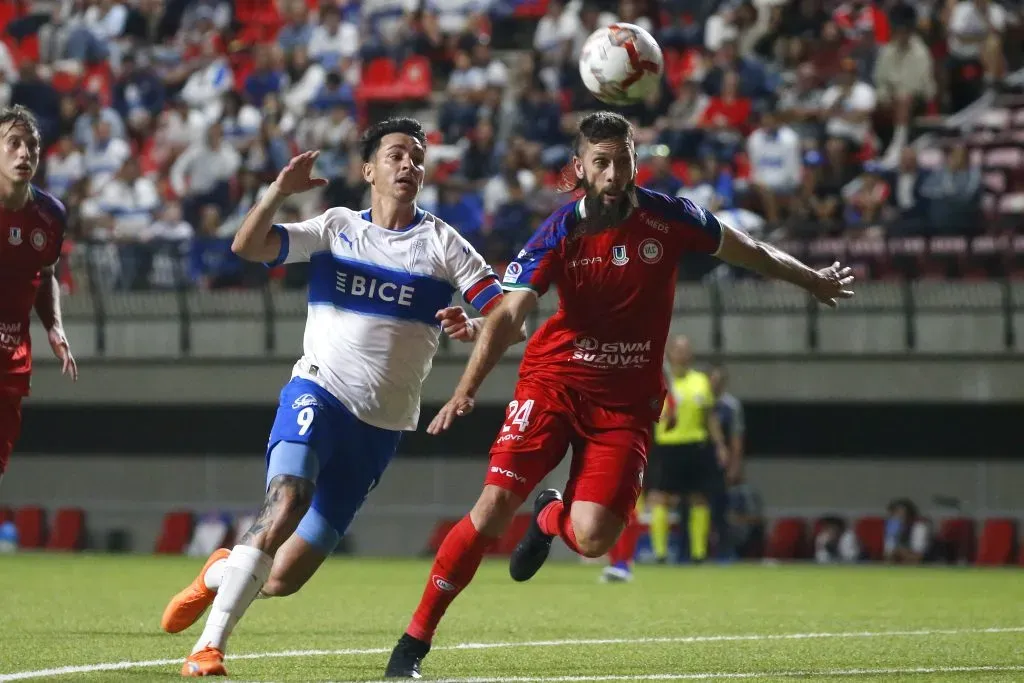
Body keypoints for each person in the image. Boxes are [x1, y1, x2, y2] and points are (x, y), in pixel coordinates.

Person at [383, 111, 855, 678]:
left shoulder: (670, 217)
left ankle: (549, 518)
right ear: (579, 169)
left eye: (621, 160)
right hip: (554, 380)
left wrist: (813, 280)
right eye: (599, 162)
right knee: (490, 509)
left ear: (635, 161)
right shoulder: (559, 231)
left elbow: (749, 249)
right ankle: (412, 644)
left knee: (592, 536)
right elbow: (510, 313)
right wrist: (466, 389)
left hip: (626, 404)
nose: (611, 173)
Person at [160, 117, 519, 678]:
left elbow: (508, 319)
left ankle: (217, 573)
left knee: (283, 578)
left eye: (417, 157)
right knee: (287, 499)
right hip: (318, 391)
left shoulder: (444, 244)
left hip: (381, 428)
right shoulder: (336, 228)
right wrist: (279, 190)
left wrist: (473, 323)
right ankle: (210, 648)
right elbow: (248, 245)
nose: (409, 165)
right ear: (369, 169)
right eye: (396, 155)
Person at [0, 105, 78, 488]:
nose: (23, 153)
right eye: (13, 143)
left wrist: (55, 328)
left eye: (31, 145)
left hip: (11, 355)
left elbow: (46, 273)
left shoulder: (50, 215)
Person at [646, 335, 728, 564]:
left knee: (699, 498)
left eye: (686, 349)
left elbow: (709, 417)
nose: (682, 353)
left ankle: (698, 554)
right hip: (668, 447)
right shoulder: (660, 382)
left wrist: (720, 445)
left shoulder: (701, 381)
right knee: (661, 498)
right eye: (678, 349)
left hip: (696, 446)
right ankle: (660, 554)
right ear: (670, 353)